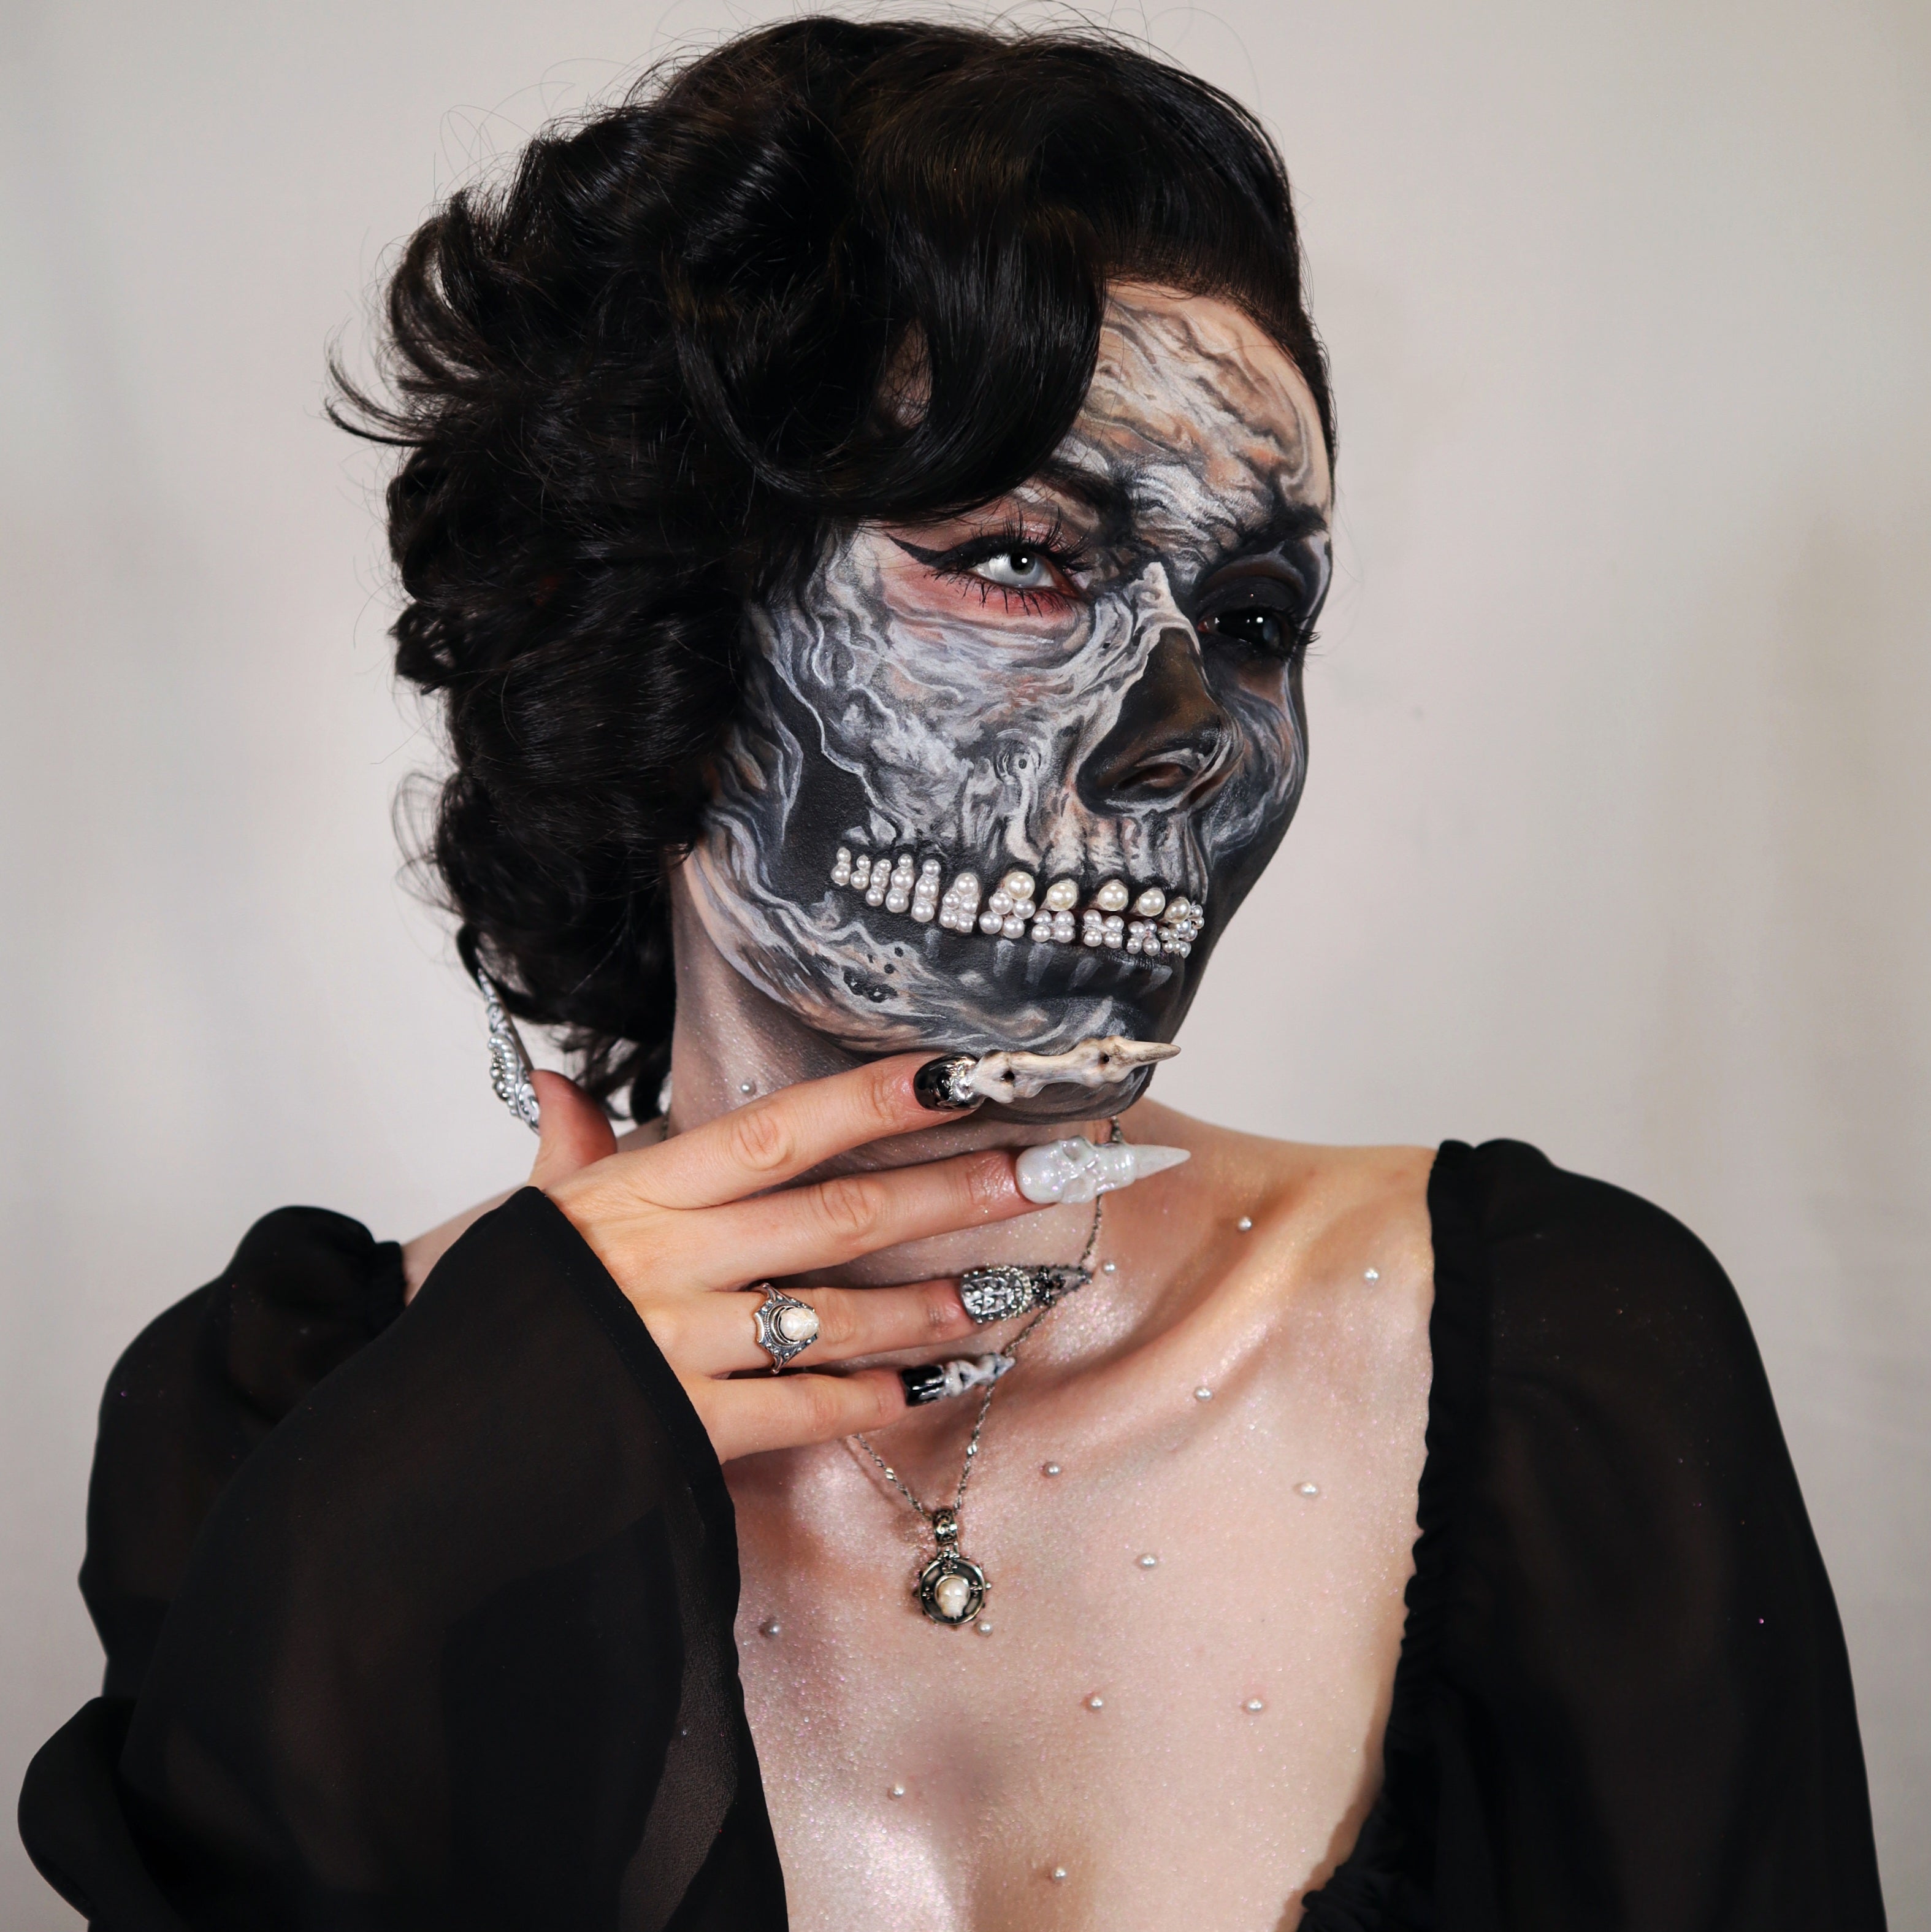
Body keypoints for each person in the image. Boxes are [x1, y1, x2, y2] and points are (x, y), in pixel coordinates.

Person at [18, 18, 1887, 1930]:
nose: (1188, 734)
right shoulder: (297, 1434)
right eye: (1017, 561)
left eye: (1255, 618)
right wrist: (480, 1478)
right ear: (646, 618)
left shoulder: (1562, 1372)